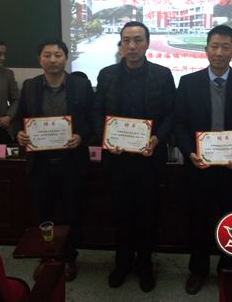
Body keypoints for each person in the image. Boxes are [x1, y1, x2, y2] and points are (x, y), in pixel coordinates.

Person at [174, 25, 232, 295]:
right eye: (214, 46)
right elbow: (179, 124)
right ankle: (198, 269)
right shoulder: (188, 83)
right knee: (198, 220)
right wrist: (189, 151)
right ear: (206, 50)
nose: (219, 52)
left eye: (225, 47)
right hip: (199, 166)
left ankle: (228, 267)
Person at [92, 21, 175, 293]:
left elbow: (170, 115)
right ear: (121, 44)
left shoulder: (162, 75)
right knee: (121, 215)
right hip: (117, 160)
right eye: (126, 40)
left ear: (147, 43)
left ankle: (145, 264)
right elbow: (97, 113)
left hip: (149, 160)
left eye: (138, 40)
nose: (132, 46)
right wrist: (106, 139)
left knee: (148, 216)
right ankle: (122, 263)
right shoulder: (107, 75)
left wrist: (157, 138)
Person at [12, 39, 93, 282]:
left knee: (72, 213)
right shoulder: (30, 86)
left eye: (58, 55)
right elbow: (18, 118)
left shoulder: (81, 85)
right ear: (40, 60)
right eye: (47, 55)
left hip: (72, 161)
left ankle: (68, 257)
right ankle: (47, 256)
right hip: (40, 163)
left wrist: (82, 136)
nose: (53, 59)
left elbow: (92, 119)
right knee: (44, 213)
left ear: (66, 58)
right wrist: (18, 133)